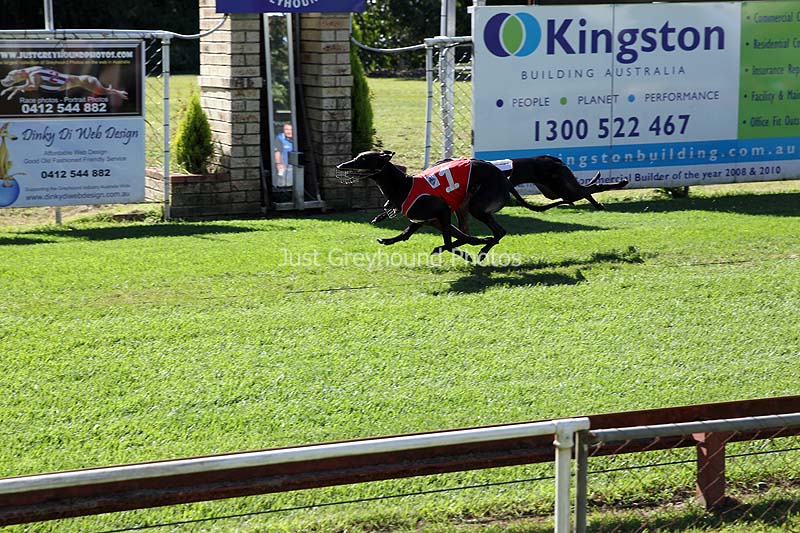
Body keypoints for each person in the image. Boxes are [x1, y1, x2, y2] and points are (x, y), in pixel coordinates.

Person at [273, 122, 294, 188]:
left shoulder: (296, 137)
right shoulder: (280, 138)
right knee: (282, 184)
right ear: (283, 130)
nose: (289, 131)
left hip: (294, 166)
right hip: (284, 166)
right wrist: (279, 163)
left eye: (291, 129)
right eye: (286, 129)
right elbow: (277, 152)